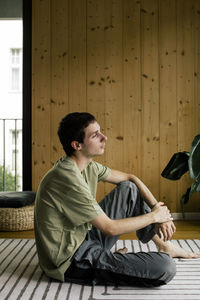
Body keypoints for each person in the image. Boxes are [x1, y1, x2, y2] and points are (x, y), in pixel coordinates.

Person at [34, 112, 200, 287]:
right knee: (165, 267)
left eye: (100, 132)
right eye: (95, 135)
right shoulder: (67, 178)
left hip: (85, 237)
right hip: (71, 261)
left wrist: (158, 211)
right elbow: (110, 228)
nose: (104, 137)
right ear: (77, 145)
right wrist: (154, 216)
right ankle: (114, 260)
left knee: (129, 189)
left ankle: (164, 246)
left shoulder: (87, 165)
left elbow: (130, 178)